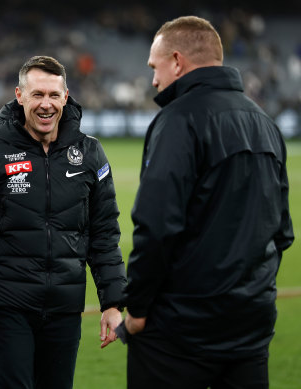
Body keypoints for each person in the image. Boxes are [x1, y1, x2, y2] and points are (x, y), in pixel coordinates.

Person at [117, 16, 295, 388]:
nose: (153, 80)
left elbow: (156, 228)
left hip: (179, 334)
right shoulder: (266, 124)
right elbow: (281, 232)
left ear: (178, 61)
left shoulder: (178, 120)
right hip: (250, 327)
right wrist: (250, 294)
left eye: (155, 67)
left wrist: (137, 309)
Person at [0, 55, 126, 389]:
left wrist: (113, 302)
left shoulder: (90, 154)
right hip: (9, 305)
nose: (45, 104)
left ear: (66, 97)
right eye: (37, 95)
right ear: (20, 96)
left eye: (53, 95)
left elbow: (104, 233)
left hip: (65, 306)